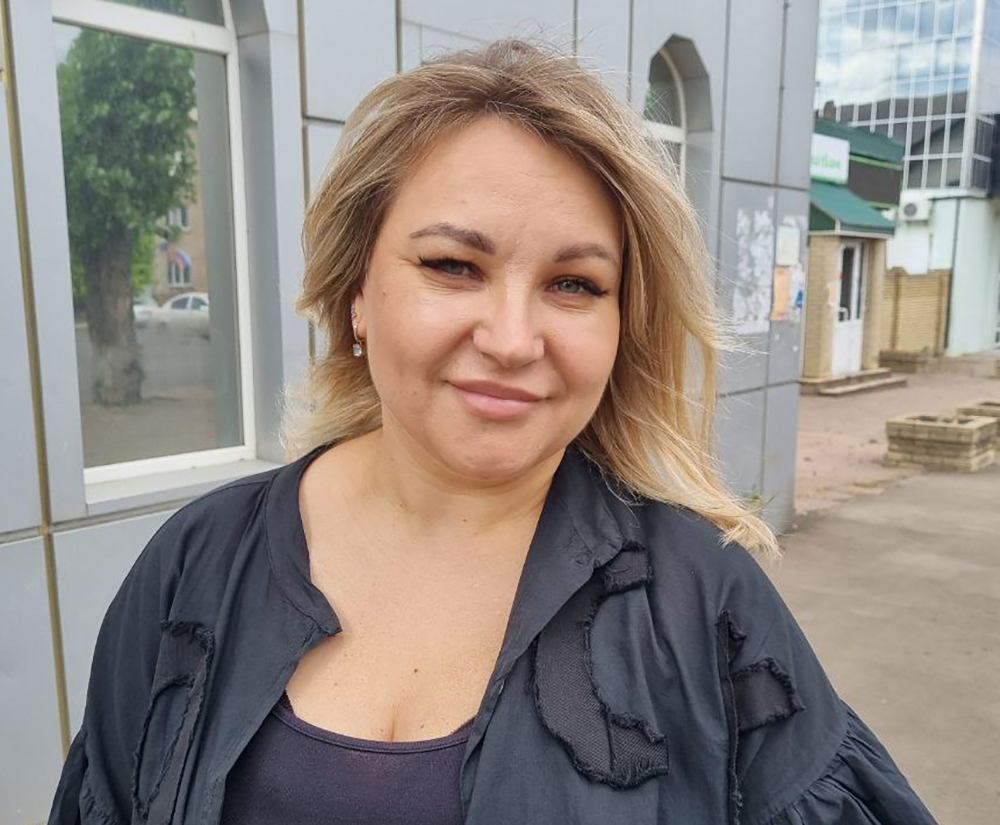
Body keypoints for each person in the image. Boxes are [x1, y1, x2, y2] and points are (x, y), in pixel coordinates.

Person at [49, 40, 939, 825]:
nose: (513, 340)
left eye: (573, 284)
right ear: (355, 292)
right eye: (453, 265)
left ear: (622, 324)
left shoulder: (708, 609)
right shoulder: (196, 567)